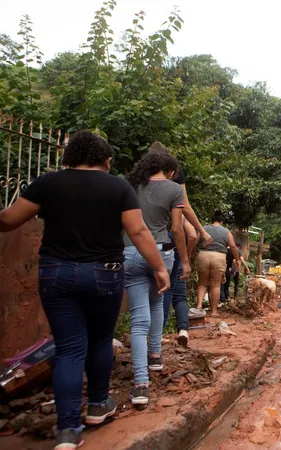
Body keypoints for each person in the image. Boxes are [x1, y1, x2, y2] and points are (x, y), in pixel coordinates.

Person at [0, 131, 169, 450]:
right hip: (104, 275)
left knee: (68, 348)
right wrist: (159, 268)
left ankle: (66, 430)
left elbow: (9, 219)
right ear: (106, 160)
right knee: (101, 340)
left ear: (69, 158)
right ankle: (97, 405)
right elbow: (138, 230)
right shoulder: (118, 186)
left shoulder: (48, 183)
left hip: (56, 274)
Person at [123, 151, 190, 408]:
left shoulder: (130, 185)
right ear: (170, 170)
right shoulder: (174, 189)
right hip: (162, 254)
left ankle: (141, 385)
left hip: (130, 252)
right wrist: (184, 260)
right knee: (158, 301)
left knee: (139, 319)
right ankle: (156, 356)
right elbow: (176, 228)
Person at [146, 142, 209, 348]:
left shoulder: (136, 178)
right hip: (167, 242)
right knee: (167, 290)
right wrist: (186, 256)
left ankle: (146, 337)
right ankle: (162, 334)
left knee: (144, 293)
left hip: (139, 241)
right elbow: (184, 225)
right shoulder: (174, 182)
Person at [195, 212, 239, 316]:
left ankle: (199, 306)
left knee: (202, 283)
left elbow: (195, 240)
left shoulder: (204, 228)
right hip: (219, 257)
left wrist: (190, 254)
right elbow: (232, 246)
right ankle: (214, 311)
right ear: (222, 221)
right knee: (215, 285)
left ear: (212, 220)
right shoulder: (226, 231)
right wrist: (237, 259)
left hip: (204, 255)